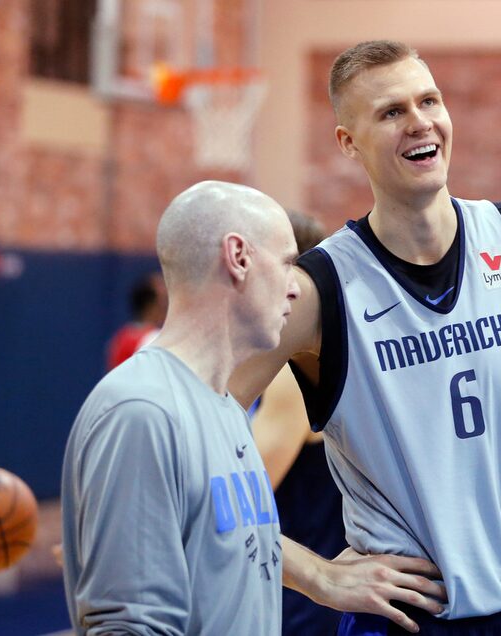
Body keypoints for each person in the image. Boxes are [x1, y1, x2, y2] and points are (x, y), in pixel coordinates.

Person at [230, 40, 501, 634]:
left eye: (429, 100)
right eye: (391, 111)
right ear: (347, 142)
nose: (420, 122)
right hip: (403, 619)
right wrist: (314, 574)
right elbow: (201, 439)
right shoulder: (317, 292)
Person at [61, 181, 442, 635]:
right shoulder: (141, 410)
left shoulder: (223, 408)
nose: (297, 291)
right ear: (238, 257)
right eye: (287, 265)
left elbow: (238, 549)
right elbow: (128, 625)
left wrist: (322, 576)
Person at [252, 210, 346, 635]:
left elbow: (237, 491)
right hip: (314, 592)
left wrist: (133, 534)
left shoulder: (295, 373)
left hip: (303, 602)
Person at [105, 272, 167, 370]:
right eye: (164, 301)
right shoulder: (153, 339)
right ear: (150, 306)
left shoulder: (120, 338)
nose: (167, 307)